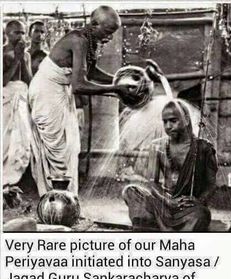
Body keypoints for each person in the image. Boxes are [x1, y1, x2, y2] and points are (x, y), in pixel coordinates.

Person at [29, 6, 131, 197]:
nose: (109, 38)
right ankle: (53, 201)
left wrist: (119, 80)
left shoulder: (89, 40)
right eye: (107, 32)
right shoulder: (79, 40)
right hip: (47, 93)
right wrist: (115, 89)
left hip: (59, 92)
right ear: (94, 24)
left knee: (71, 146)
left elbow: (90, 72)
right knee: (58, 150)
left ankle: (67, 200)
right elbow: (79, 85)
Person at [122, 99, 218, 232]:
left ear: (186, 120)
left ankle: (153, 225)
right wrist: (168, 201)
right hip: (163, 202)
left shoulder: (204, 148)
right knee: (131, 191)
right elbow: (152, 182)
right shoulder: (156, 146)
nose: (168, 126)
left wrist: (199, 200)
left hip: (187, 207)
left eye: (173, 121)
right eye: (165, 121)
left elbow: (211, 184)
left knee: (201, 215)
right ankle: (152, 224)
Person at [3, 20, 32, 190]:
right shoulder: (2, 53)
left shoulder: (26, 55)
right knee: (5, 142)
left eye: (22, 32)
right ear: (7, 34)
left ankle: (12, 181)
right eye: (16, 32)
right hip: (5, 100)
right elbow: (4, 80)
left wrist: (22, 58)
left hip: (21, 98)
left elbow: (29, 81)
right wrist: (16, 59)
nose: (20, 36)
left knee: (21, 142)